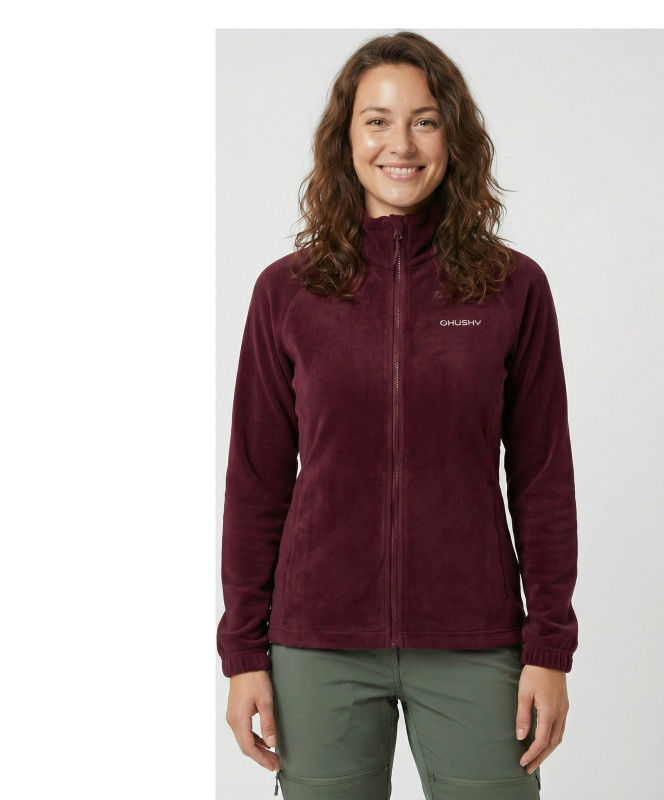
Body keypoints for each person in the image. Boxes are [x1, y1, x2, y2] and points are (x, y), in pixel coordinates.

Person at [217, 30, 579, 799]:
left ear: (453, 136)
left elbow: (543, 476)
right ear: (345, 139)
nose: (401, 144)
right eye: (377, 120)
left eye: (424, 120)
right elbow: (255, 481)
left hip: (475, 636)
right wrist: (243, 653)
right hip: (318, 643)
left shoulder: (513, 288)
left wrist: (549, 645)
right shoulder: (287, 292)